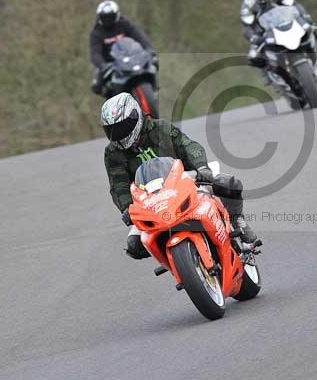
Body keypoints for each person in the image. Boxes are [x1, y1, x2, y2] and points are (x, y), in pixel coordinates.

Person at [100, 93, 258, 259]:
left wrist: (201, 167)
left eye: (123, 126)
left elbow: (188, 145)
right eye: (112, 130)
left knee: (229, 184)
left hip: (185, 181)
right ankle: (177, 261)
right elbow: (118, 185)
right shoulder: (112, 153)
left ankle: (237, 221)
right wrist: (126, 207)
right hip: (149, 201)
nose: (118, 134)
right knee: (134, 245)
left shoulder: (160, 128)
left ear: (136, 116)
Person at [239, 0, 317, 77]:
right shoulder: (247, 4)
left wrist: (306, 18)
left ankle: (314, 57)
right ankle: (269, 75)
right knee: (254, 57)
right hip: (264, 32)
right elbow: (247, 26)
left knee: (311, 29)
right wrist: (254, 38)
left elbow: (295, 6)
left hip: (285, 24)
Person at [89, 0, 158, 95]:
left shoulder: (124, 24)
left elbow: (140, 36)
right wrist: (103, 65)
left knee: (153, 62)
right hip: (110, 64)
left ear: (116, 15)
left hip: (131, 57)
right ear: (99, 18)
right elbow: (95, 53)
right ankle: (111, 102)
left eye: (110, 17)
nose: (108, 20)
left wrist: (149, 50)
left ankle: (154, 92)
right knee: (97, 86)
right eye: (105, 17)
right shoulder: (96, 33)